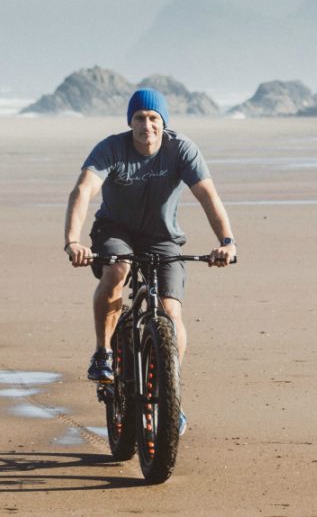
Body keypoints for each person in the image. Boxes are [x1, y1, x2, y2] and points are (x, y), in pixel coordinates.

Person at [63, 87, 236, 432]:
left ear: (163, 122)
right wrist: (73, 240)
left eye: (154, 118)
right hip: (115, 231)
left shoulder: (181, 149)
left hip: (163, 237)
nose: (147, 125)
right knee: (117, 269)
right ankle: (103, 354)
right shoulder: (111, 148)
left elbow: (207, 195)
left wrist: (226, 241)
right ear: (130, 122)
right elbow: (84, 189)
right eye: (140, 118)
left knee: (171, 312)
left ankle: (170, 394)